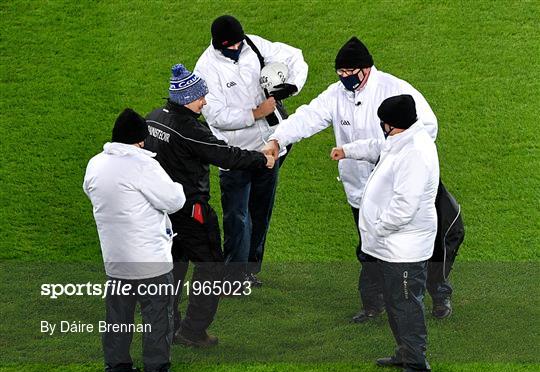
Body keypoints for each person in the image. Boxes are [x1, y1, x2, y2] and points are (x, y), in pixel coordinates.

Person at [263, 36, 451, 321]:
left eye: (350, 74)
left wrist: (392, 155)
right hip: (361, 191)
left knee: (424, 245)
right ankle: (373, 304)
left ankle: (439, 295)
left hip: (399, 186)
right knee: (369, 248)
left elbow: (428, 126)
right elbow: (307, 117)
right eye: (340, 74)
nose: (345, 79)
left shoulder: (396, 90)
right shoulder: (336, 95)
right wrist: (277, 139)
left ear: (366, 69)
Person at [144, 64, 275, 348]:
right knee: (211, 266)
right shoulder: (189, 129)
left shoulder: (153, 118)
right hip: (191, 210)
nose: (205, 101)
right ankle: (193, 331)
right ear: (186, 98)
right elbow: (225, 156)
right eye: (200, 96)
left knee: (173, 267)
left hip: (161, 212)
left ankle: (168, 321)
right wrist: (260, 159)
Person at [331, 95, 439, 372]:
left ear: (392, 124)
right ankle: (405, 353)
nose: (380, 127)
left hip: (402, 246)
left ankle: (417, 366)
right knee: (396, 302)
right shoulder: (402, 140)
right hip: (393, 245)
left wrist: (379, 228)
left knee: (405, 304)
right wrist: (347, 151)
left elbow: (405, 205)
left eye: (383, 122)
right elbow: (377, 146)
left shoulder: (415, 152)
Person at [83, 108, 192, 372]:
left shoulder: (95, 164)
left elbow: (91, 191)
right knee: (158, 317)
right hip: (150, 262)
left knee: (118, 317)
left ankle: (117, 367)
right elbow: (174, 200)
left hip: (115, 261)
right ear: (139, 141)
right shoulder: (144, 166)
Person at [194, 15, 308, 287]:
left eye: (237, 44)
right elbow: (216, 115)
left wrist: (291, 86)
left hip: (269, 147)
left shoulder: (253, 45)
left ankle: (250, 269)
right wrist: (257, 112)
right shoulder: (205, 69)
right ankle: (233, 275)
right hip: (235, 154)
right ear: (217, 44)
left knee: (261, 209)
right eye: (229, 47)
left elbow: (295, 56)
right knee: (237, 215)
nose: (235, 49)